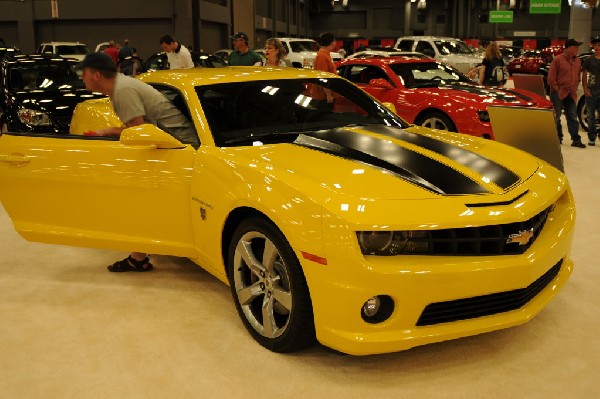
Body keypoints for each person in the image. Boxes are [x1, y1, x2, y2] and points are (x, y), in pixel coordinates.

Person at [77, 52, 198, 272]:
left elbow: (138, 131)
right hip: (174, 144)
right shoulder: (121, 87)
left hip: (182, 148)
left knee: (136, 196)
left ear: (95, 75)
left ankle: (140, 256)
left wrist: (107, 132)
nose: (81, 78)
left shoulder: (122, 90)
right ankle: (139, 255)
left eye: (83, 73)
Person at [548, 38, 586, 148]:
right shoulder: (558, 60)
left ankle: (576, 140)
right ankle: (557, 137)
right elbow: (551, 78)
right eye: (576, 47)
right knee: (557, 116)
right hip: (558, 93)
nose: (577, 49)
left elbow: (578, 75)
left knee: (573, 117)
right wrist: (557, 89)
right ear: (569, 48)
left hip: (571, 93)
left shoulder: (578, 60)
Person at [310, 32, 337, 110]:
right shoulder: (322, 56)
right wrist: (328, 94)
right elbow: (322, 76)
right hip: (323, 97)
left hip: (325, 95)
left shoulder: (325, 54)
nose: (335, 43)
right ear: (331, 43)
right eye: (335, 41)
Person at [581, 35, 600, 146]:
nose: (597, 47)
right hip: (591, 91)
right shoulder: (588, 60)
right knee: (590, 116)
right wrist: (585, 89)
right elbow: (584, 75)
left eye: (599, 45)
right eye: (595, 45)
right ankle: (591, 137)